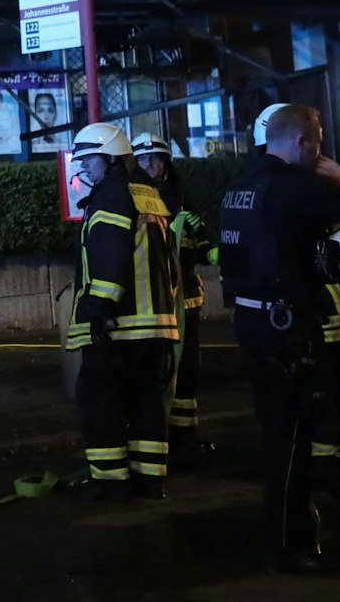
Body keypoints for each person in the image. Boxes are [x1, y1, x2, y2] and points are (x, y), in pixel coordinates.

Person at [219, 104, 340, 574]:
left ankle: (279, 529)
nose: (319, 152)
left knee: (277, 433)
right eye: (317, 144)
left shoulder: (241, 183)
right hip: (287, 327)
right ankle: (292, 543)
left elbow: (265, 254)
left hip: (253, 323)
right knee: (294, 435)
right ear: (302, 142)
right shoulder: (298, 184)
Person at [65, 123, 182, 502]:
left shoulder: (111, 194)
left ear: (110, 158)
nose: (85, 168)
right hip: (157, 321)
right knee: (148, 400)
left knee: (98, 398)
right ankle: (151, 480)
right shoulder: (147, 191)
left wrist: (99, 308)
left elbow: (111, 254)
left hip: (121, 324)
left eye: (89, 160)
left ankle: (111, 481)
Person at [133, 133, 214, 465]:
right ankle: (159, 434)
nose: (151, 165)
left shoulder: (181, 196)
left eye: (156, 158)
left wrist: (202, 236)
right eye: (143, 159)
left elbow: (200, 244)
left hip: (187, 299)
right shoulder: (135, 198)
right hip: (157, 302)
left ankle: (184, 435)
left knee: (188, 369)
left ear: (166, 163)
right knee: (160, 371)